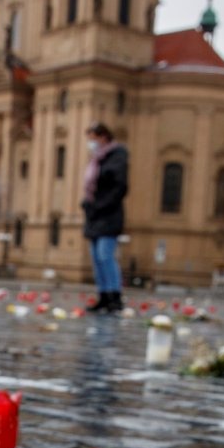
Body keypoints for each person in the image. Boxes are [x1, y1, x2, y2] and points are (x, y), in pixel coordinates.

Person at [82, 122, 128, 313]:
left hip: (109, 214)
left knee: (105, 255)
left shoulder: (117, 156)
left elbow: (120, 187)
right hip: (95, 214)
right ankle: (103, 295)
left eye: (93, 138)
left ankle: (114, 296)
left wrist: (100, 205)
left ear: (103, 137)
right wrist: (88, 205)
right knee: (96, 256)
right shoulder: (98, 159)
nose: (91, 143)